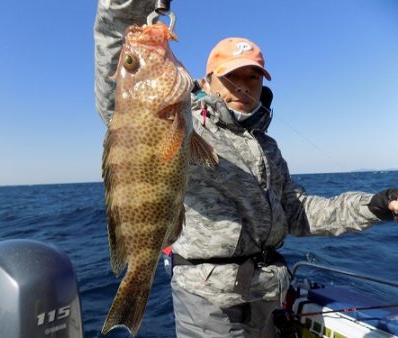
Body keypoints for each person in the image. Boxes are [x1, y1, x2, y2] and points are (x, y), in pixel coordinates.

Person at [94, 1, 398, 337]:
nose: (243, 85)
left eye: (252, 76)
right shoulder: (185, 122)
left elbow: (297, 213)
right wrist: (123, 8)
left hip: (269, 295)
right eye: (231, 76)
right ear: (207, 82)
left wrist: (376, 205)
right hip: (209, 303)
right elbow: (118, 93)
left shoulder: (267, 147)